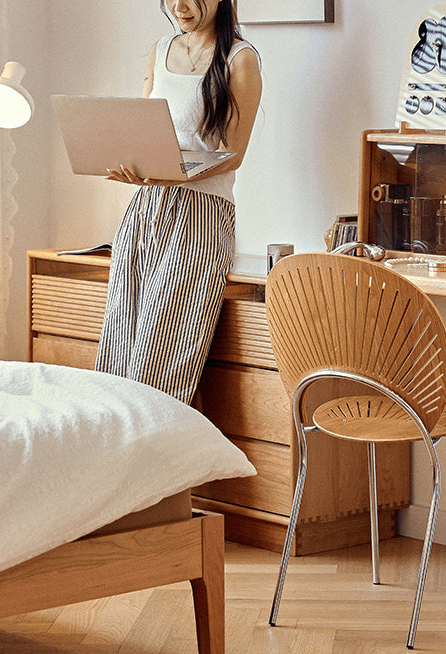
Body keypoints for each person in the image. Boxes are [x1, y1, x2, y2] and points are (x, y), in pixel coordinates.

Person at [95, 0, 262, 404]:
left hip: (201, 216)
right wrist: (131, 162)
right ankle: (113, 461)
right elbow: (142, 127)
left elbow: (233, 153)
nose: (179, 5)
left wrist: (172, 172)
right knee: (119, 352)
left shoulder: (240, 59)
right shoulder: (161, 49)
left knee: (160, 364)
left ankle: (154, 458)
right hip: (145, 209)